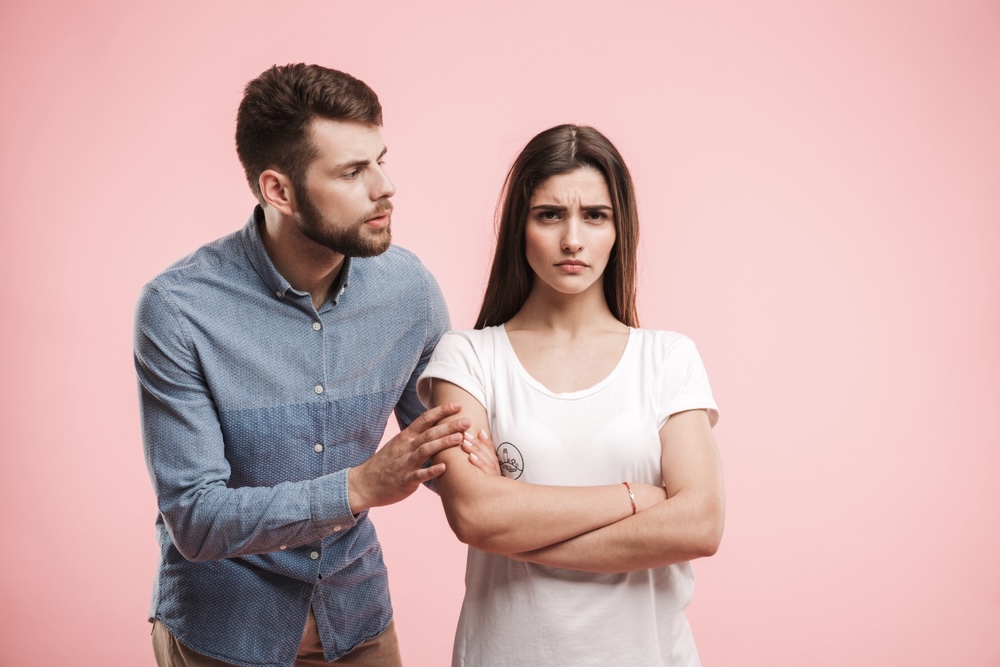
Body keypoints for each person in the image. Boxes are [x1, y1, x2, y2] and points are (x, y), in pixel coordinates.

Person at [134, 63, 473, 667]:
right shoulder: (179, 309)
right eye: (352, 171)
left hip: (358, 618)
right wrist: (359, 486)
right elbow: (194, 517)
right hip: (225, 630)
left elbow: (454, 446)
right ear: (279, 191)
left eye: (380, 159)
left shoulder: (409, 290)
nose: (385, 186)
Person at [417, 124, 725, 666]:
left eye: (595, 215)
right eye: (550, 214)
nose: (573, 240)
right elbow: (475, 518)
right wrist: (637, 498)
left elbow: (699, 524)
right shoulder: (467, 359)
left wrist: (516, 526)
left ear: (618, 227)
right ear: (521, 226)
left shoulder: (667, 358)